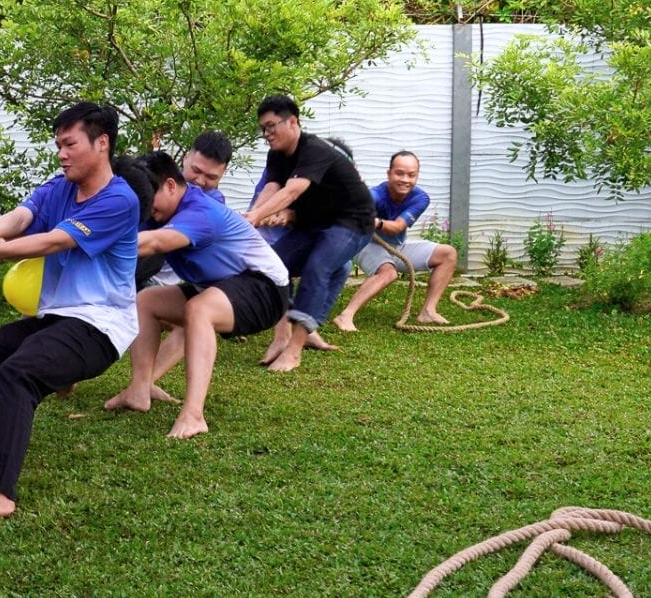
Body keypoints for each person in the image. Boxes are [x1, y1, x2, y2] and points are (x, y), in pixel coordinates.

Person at [0, 102, 139, 520]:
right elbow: (19, 219)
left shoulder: (119, 200)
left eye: (70, 144)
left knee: (16, 374)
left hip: (101, 326)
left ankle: (0, 492)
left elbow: (53, 241)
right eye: (58, 145)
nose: (62, 153)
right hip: (54, 318)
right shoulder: (59, 188)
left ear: (102, 143)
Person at [134, 152, 290, 438]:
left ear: (170, 186)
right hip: (217, 284)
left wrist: (91, 241)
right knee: (146, 302)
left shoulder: (200, 211)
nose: (144, 208)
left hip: (266, 287)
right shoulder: (157, 210)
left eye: (147, 198)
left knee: (199, 310)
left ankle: (194, 415)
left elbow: (155, 243)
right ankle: (139, 390)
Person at [106, 131, 238, 412]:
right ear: (185, 159)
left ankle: (143, 385)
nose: (201, 182)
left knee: (195, 316)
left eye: (212, 178)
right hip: (136, 274)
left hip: (169, 277)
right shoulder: (153, 190)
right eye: (196, 171)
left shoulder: (212, 205)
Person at [244, 95, 375, 373]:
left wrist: (256, 217)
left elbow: (293, 190)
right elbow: (273, 188)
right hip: (314, 221)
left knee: (319, 266)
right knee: (274, 267)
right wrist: (252, 216)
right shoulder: (276, 154)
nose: (267, 134)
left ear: (293, 121)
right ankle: (283, 336)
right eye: (263, 129)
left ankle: (294, 350)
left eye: (271, 126)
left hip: (353, 221)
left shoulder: (315, 149)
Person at [331, 150, 458, 330]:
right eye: (399, 173)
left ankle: (428, 312)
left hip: (397, 245)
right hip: (367, 244)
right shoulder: (374, 195)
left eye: (411, 175)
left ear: (417, 176)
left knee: (448, 254)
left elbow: (398, 227)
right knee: (388, 273)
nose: (405, 179)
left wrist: (375, 221)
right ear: (389, 173)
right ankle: (346, 315)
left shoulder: (420, 198)